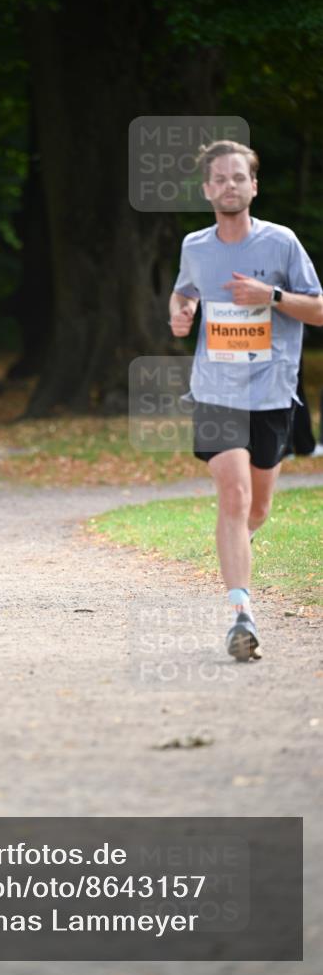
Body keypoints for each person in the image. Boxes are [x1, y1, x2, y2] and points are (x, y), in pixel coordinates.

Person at [169, 141, 323, 661]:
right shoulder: (195, 245)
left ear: (253, 186)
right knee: (233, 498)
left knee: (257, 507)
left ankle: (240, 545)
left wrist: (271, 296)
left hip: (273, 391)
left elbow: (319, 309)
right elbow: (184, 291)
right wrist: (180, 312)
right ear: (207, 189)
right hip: (216, 390)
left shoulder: (281, 243)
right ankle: (242, 614)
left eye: (239, 177)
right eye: (220, 178)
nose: (229, 186)